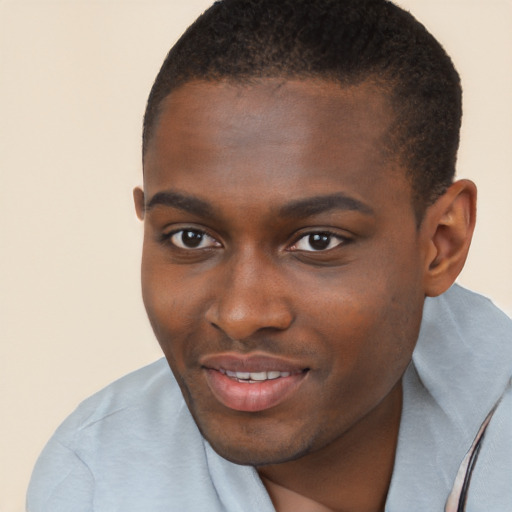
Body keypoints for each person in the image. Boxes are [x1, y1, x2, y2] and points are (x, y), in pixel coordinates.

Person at [27, 0, 512, 510]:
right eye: (191, 237)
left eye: (317, 242)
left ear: (441, 243)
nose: (240, 315)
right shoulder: (95, 477)